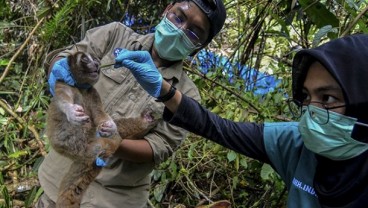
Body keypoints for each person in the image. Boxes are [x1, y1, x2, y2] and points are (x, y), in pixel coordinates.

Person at [113, 34, 368, 207]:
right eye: (306, 97)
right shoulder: (295, 142)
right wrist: (163, 89)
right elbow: (218, 128)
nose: (312, 112)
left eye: (327, 98)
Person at [37, 0, 226, 207]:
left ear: (199, 46)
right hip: (59, 180)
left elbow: (158, 147)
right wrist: (61, 68)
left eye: (193, 33)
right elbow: (66, 57)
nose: (180, 30)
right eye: (178, 17)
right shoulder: (115, 35)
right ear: (166, 10)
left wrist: (109, 142)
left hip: (114, 198)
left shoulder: (186, 95)